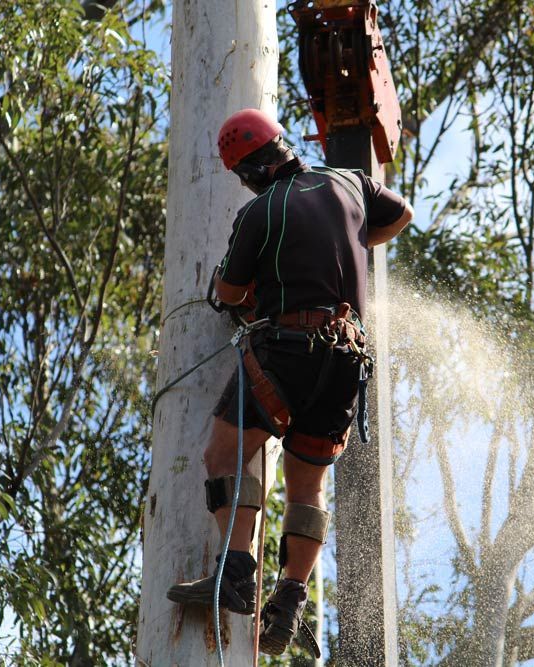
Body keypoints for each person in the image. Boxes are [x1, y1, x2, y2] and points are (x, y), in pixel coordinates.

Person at [166, 108, 412, 656]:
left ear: (248, 172)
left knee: (225, 452)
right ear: (282, 144)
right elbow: (401, 215)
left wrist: (240, 287)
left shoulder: (260, 210)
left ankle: (235, 575)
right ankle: (291, 600)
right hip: (347, 355)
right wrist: (355, 239)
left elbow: (229, 295)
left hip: (286, 351)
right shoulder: (348, 180)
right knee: (308, 485)